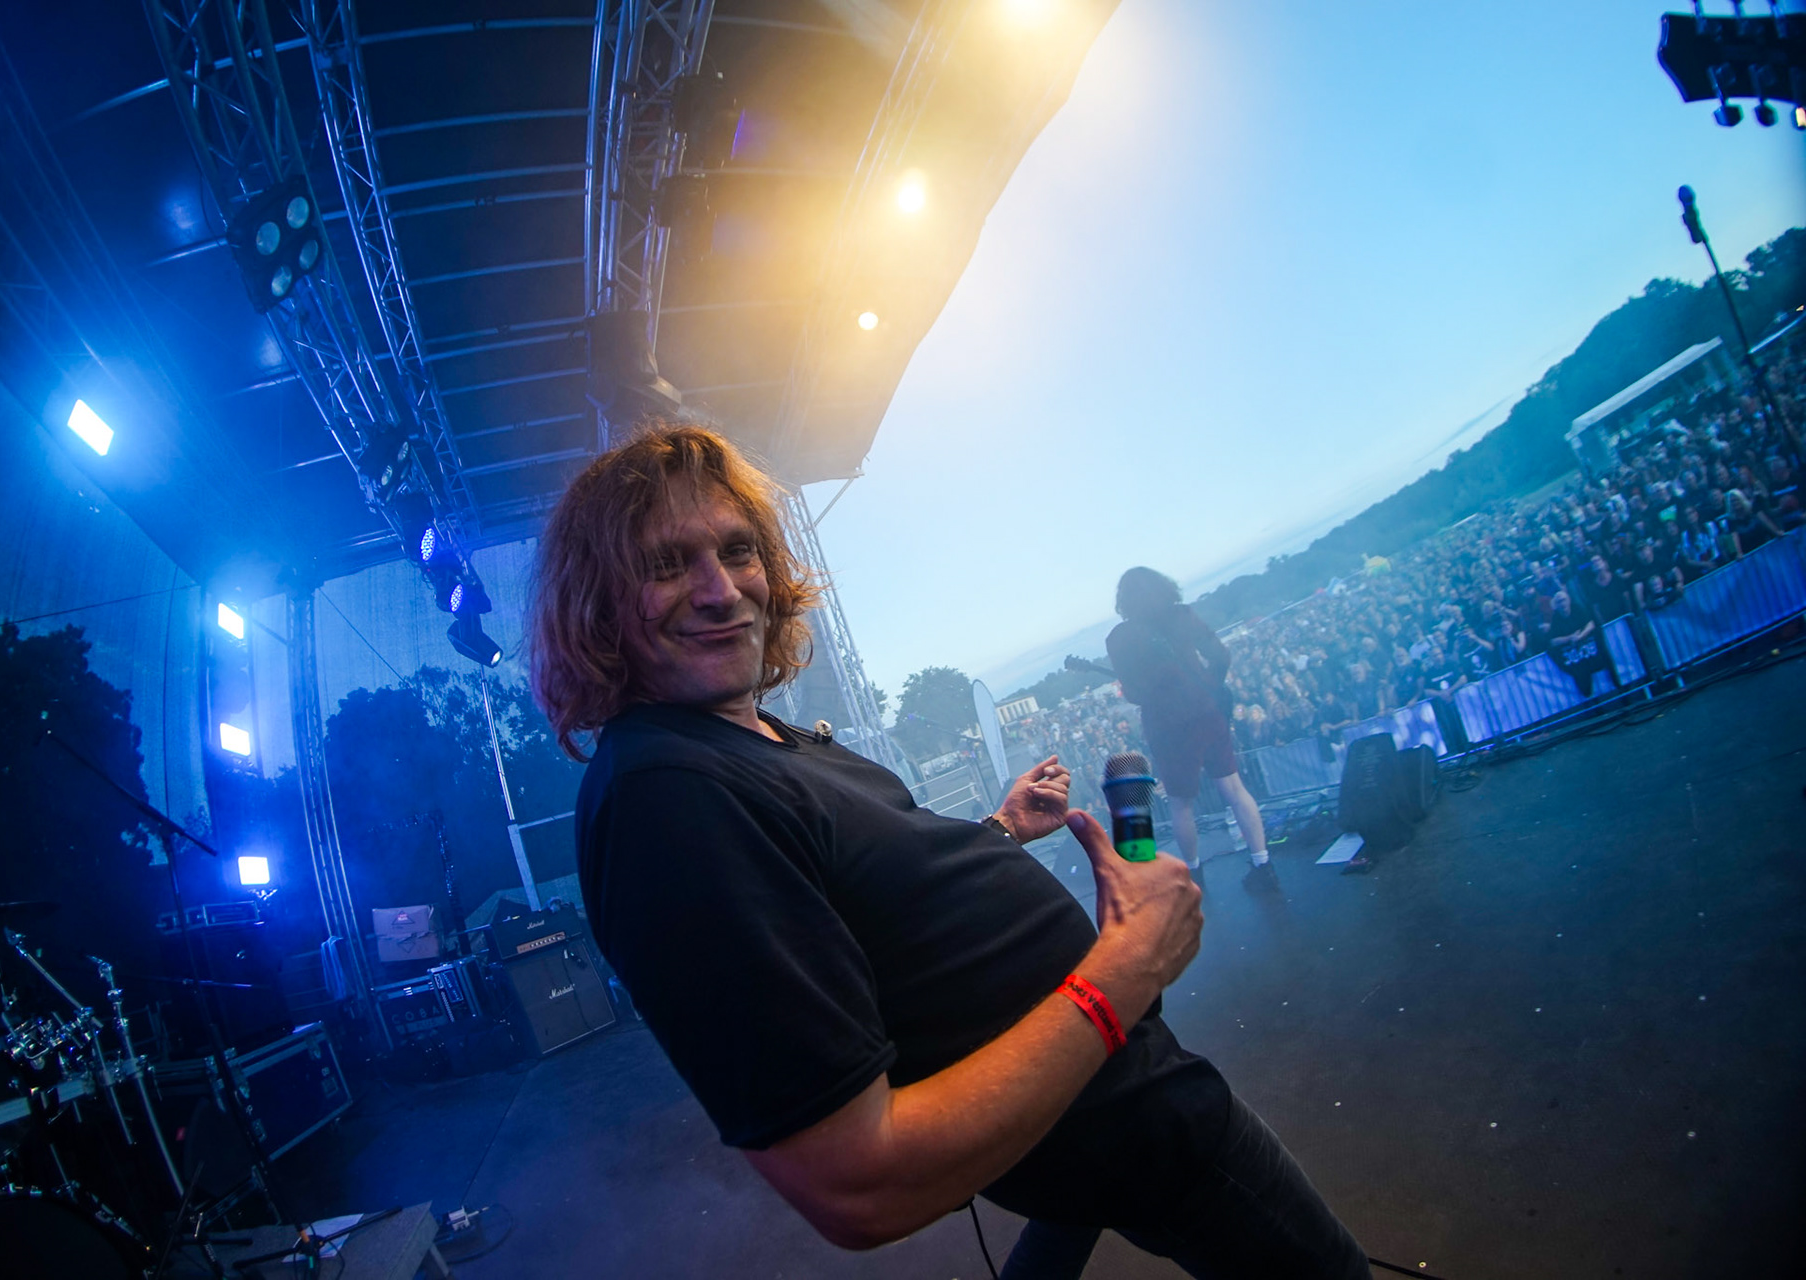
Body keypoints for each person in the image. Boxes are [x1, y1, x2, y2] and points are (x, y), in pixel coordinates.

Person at [531, 424, 1369, 1278]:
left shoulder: (752, 741)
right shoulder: (667, 797)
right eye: (667, 565)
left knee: (1073, 1210)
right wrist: (1127, 966)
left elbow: (872, 903)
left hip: (1083, 1116)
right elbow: (860, 1185)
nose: (721, 590)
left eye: (739, 550)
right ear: (595, 608)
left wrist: (998, 834)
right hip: (1140, 1121)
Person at [1103, 568, 1275, 880]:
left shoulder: (1120, 639)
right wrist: (1210, 685)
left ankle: (1194, 873)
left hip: (1167, 726)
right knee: (1234, 788)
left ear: (1124, 600)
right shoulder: (1182, 616)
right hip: (1207, 711)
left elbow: (1135, 694)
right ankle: (1262, 863)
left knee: (1181, 804)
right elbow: (1220, 655)